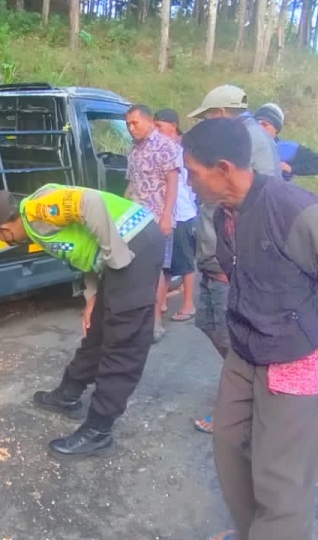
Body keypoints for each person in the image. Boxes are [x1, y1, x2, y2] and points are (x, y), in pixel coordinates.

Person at [181, 118, 318, 540]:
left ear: (224, 168)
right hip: (246, 349)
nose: (188, 182)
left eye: (193, 172)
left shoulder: (299, 213)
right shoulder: (224, 212)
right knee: (230, 448)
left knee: (280, 480)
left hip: (296, 357)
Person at [0, 184, 165, 460]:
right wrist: (92, 296)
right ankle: (68, 393)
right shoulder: (35, 226)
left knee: (123, 341)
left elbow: (88, 202)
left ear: (5, 229)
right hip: (123, 253)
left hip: (134, 245)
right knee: (97, 331)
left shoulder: (37, 210)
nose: (3, 240)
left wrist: (115, 255)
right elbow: (83, 249)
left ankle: (98, 431)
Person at [187, 84, 284, 434]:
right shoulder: (248, 136)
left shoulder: (247, 141)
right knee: (211, 326)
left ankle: (245, 406)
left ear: (223, 112)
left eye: (209, 115)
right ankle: (248, 396)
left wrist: (237, 261)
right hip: (215, 258)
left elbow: (253, 204)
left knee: (237, 337)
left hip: (232, 262)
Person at [123, 104, 179, 342]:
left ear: (148, 121)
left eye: (134, 123)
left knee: (155, 271)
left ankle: (155, 324)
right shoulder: (133, 150)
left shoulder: (165, 145)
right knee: (136, 270)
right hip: (135, 219)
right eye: (127, 124)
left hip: (157, 219)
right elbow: (132, 185)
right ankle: (138, 322)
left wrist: (167, 216)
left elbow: (173, 182)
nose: (130, 128)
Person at [154, 108, 199, 322]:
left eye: (159, 126)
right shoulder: (164, 148)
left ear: (173, 125)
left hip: (182, 212)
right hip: (166, 213)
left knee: (184, 261)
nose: (157, 130)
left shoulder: (181, 149)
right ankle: (161, 301)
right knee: (166, 261)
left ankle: (189, 304)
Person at [254, 103, 318, 183]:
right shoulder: (245, 145)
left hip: (279, 193)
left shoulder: (287, 149)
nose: (259, 127)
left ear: (276, 128)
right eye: (256, 124)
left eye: (265, 124)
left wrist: (292, 169)